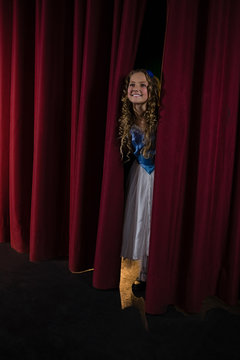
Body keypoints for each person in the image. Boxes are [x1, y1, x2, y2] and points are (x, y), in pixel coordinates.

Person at [119, 69, 161, 292]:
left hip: (157, 175)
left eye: (142, 85)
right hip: (140, 175)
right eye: (132, 84)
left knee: (154, 219)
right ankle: (143, 274)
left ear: (151, 90)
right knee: (139, 219)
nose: (136, 88)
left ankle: (154, 271)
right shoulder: (128, 119)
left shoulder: (159, 117)